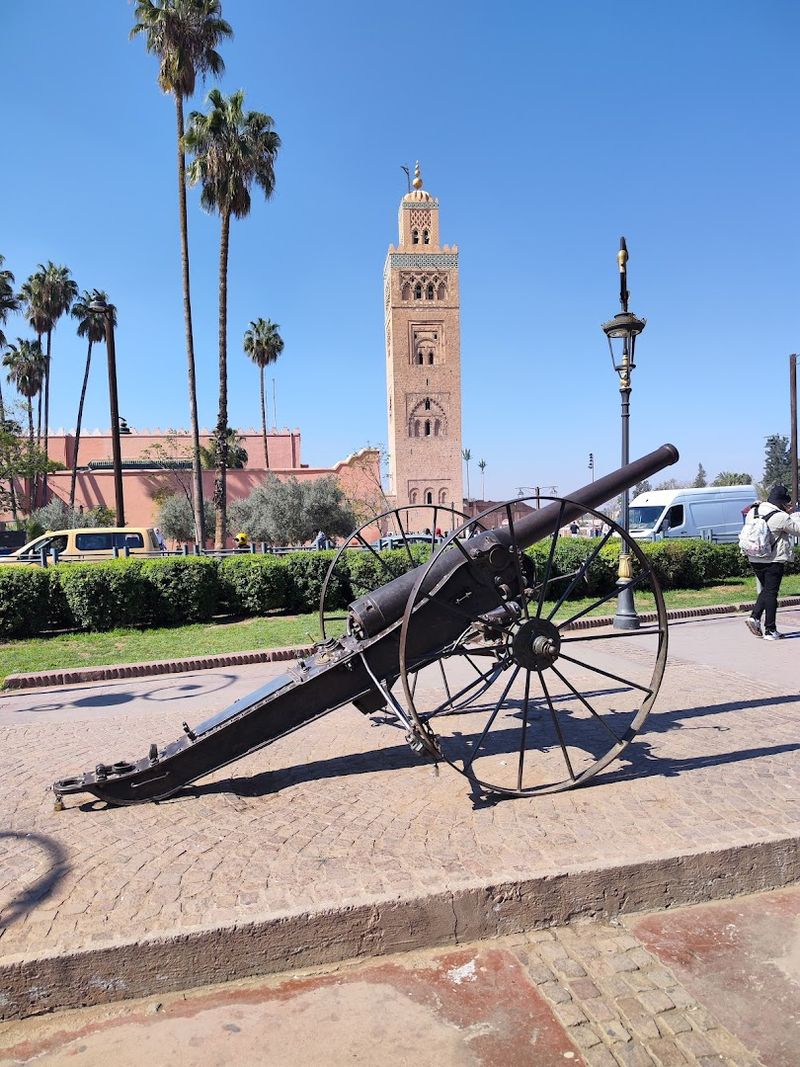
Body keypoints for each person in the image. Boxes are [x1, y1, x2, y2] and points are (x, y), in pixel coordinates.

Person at [743, 484, 800, 640]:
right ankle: (770, 630)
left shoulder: (754, 511)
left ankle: (754, 618)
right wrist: (795, 515)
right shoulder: (781, 517)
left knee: (767, 590)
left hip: (754, 556)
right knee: (771, 593)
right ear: (781, 502)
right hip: (773, 559)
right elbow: (797, 530)